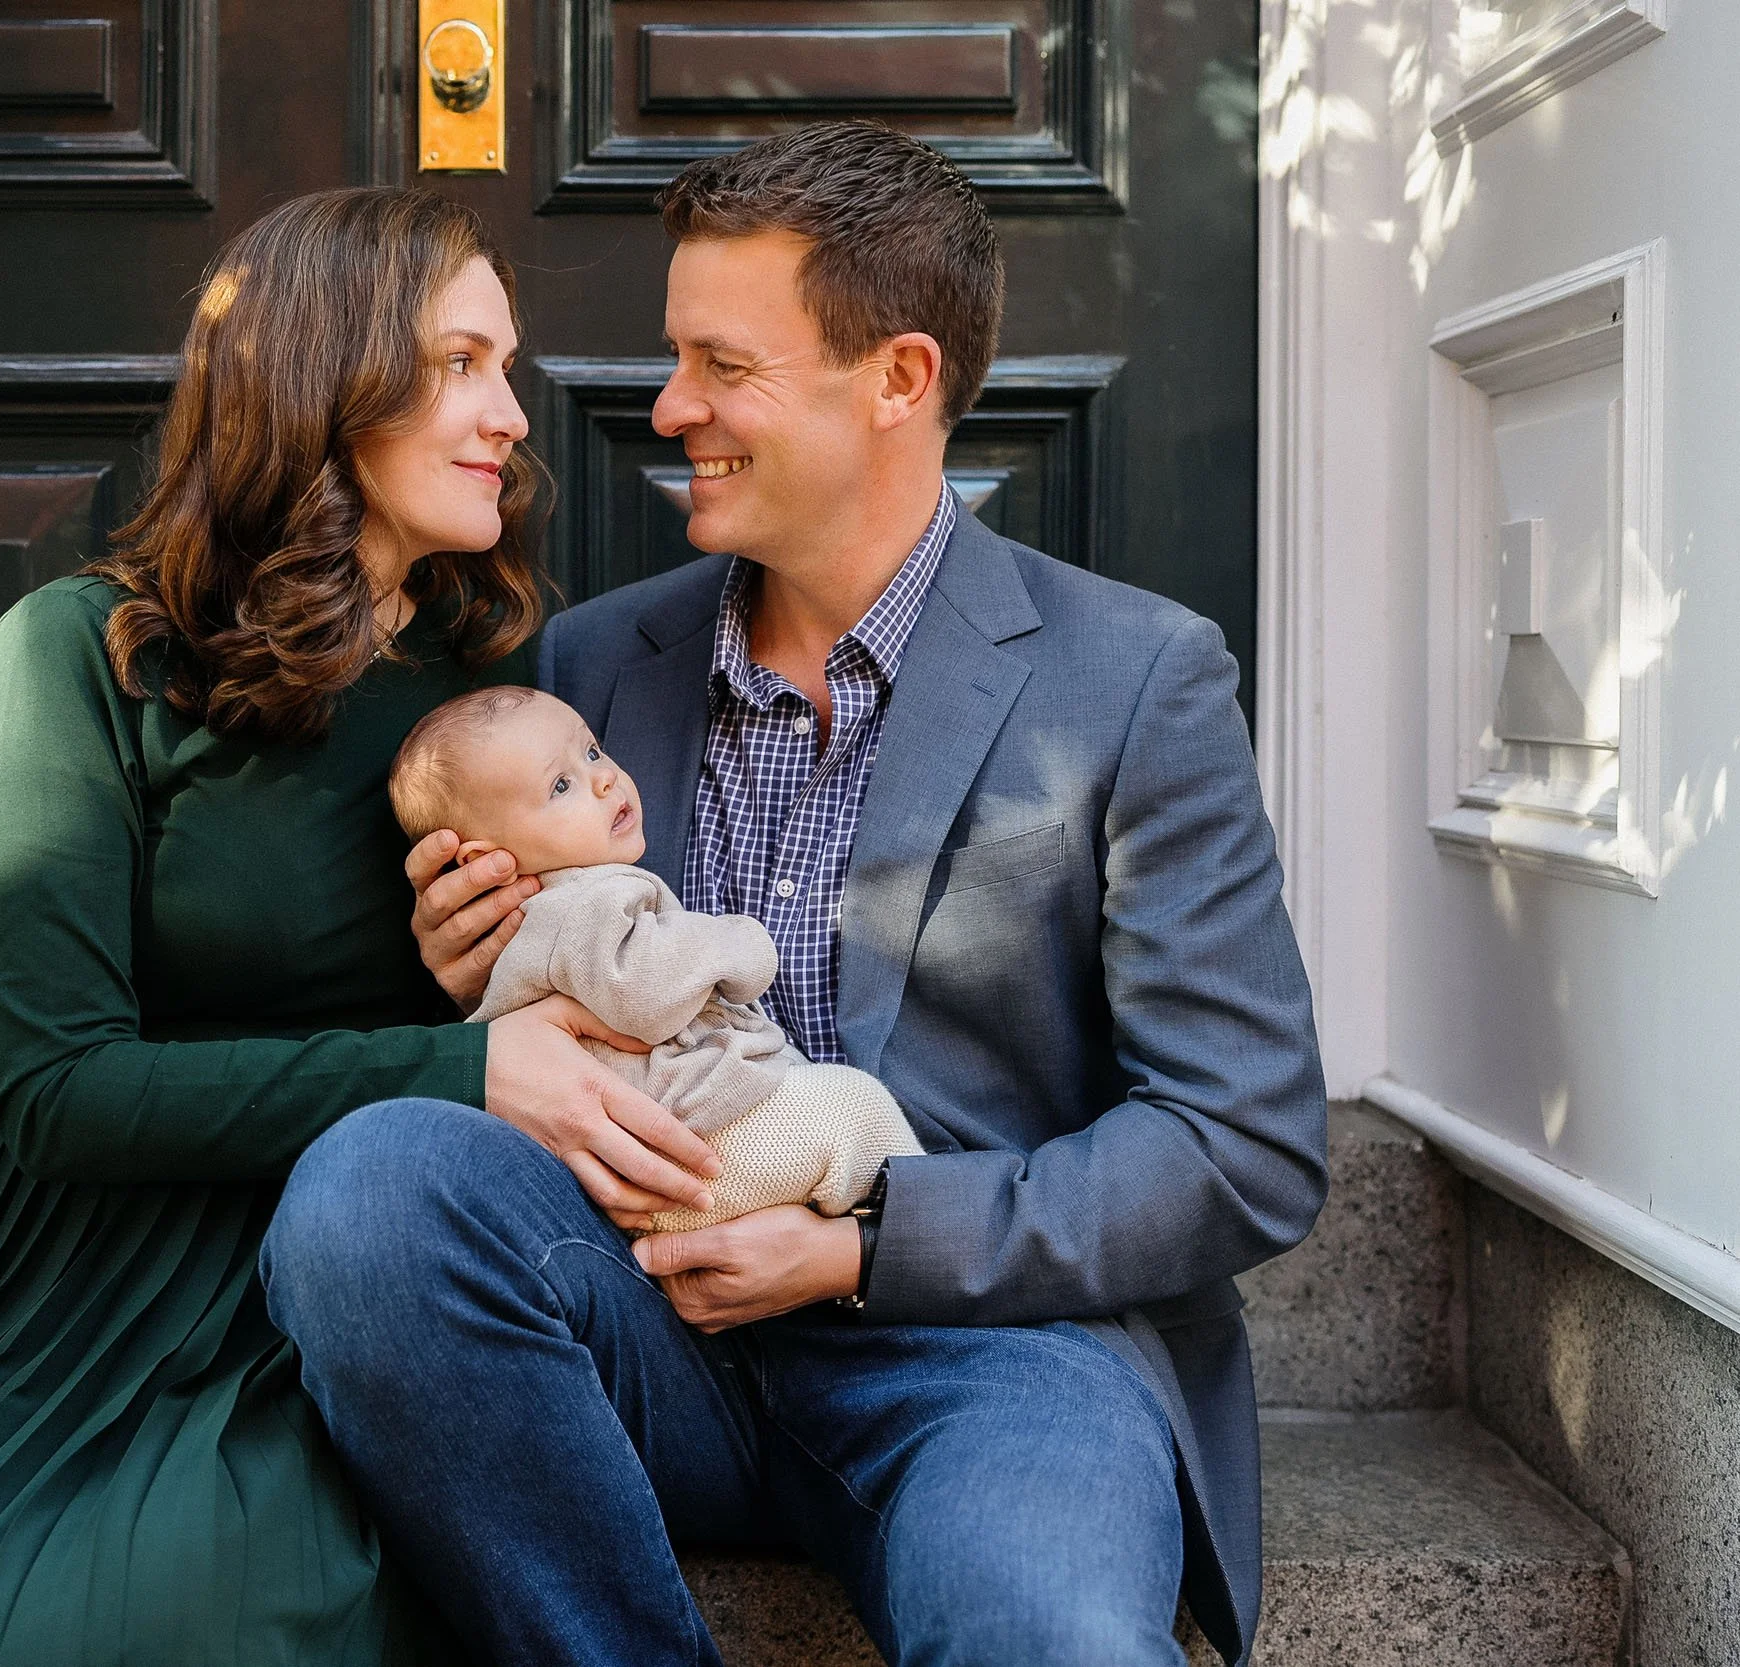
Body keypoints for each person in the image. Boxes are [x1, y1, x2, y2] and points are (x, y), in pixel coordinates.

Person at [261, 122, 1329, 1667]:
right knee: (370, 1188)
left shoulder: (1137, 678)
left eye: (721, 363)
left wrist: (869, 1242)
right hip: (644, 1308)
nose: (668, 404)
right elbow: (560, 1020)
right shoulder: (586, 666)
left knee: (1055, 1640)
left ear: (897, 380)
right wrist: (476, 982)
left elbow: (1242, 1140)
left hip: (997, 1351)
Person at [0, 186, 724, 1667]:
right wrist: (461, 1066)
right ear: (327, 381)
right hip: (88, 1272)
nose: (513, 415)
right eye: (462, 362)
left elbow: (582, 991)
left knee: (278, 1599)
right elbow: (57, 1090)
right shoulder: (83, 656)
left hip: (355, 1257)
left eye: (506, 367)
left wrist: (476, 991)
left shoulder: (503, 677)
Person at [386, 682, 918, 1232]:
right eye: (561, 785)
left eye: (591, 751)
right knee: (856, 1110)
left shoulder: (545, 913)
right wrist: (742, 943)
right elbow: (645, 995)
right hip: (685, 1146)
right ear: (486, 859)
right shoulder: (581, 903)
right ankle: (911, 1243)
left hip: (657, 1146)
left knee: (819, 1108)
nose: (604, 777)